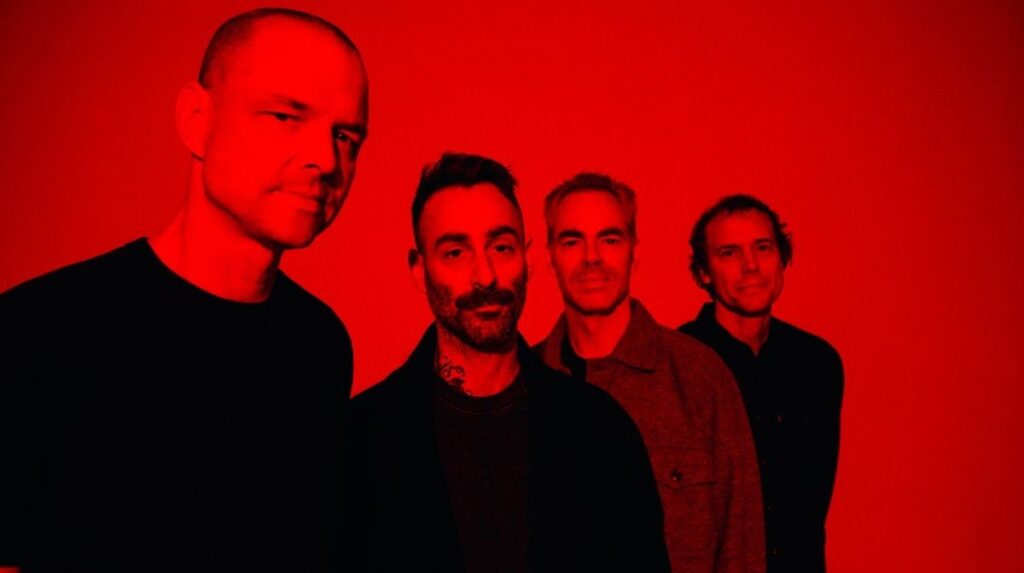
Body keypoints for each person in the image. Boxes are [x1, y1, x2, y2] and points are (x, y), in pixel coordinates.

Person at [0, 8, 368, 571]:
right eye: (285, 116)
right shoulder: (39, 331)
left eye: (345, 135)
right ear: (196, 119)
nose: (324, 158)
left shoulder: (318, 345)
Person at [345, 153, 669, 572]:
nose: (485, 275)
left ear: (528, 259)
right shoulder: (361, 440)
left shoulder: (600, 430)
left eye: (501, 247)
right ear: (419, 271)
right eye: (456, 253)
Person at [534, 173, 765, 573]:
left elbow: (741, 544)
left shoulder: (701, 377)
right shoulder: (524, 385)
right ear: (550, 256)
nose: (592, 258)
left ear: (634, 252)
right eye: (572, 241)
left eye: (609, 239)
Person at [678, 195, 844, 573]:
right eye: (729, 253)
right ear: (704, 272)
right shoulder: (678, 364)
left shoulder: (817, 363)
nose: (751, 265)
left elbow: (810, 506)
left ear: (782, 258)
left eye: (763, 248)